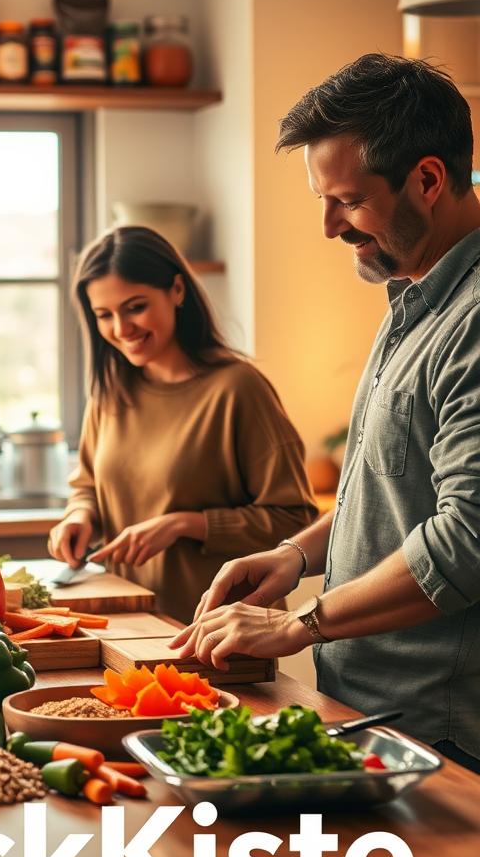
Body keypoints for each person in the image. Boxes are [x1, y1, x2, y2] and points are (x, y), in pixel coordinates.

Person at [170, 53, 480, 770]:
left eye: (346, 199)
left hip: (447, 736)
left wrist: (305, 623)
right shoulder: (413, 297)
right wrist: (297, 555)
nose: (329, 226)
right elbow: (395, 494)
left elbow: (466, 542)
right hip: (380, 715)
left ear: (428, 180)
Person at [48, 225, 317, 622]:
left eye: (135, 307)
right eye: (104, 315)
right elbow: (88, 484)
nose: (122, 330)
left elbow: (295, 518)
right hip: (131, 626)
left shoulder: (238, 389)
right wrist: (80, 517)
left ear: (176, 290)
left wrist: (185, 525)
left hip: (223, 631)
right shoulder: (111, 392)